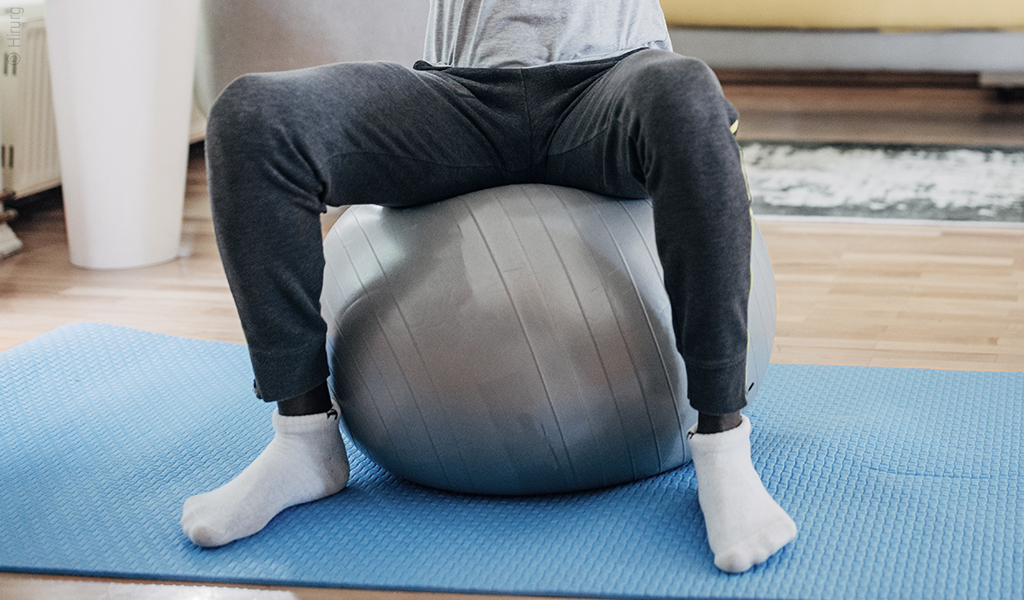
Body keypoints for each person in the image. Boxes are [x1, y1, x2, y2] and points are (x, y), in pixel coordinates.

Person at [180, 0, 797, 573]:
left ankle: (722, 446)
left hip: (612, 82)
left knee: (687, 92)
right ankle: (304, 440)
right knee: (252, 117)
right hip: (458, 96)